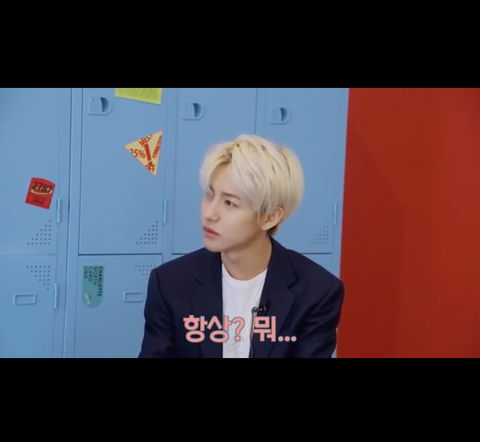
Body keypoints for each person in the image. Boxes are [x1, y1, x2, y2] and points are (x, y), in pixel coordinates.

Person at [139, 135, 344, 358]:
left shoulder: (317, 292)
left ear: (270, 217)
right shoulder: (169, 283)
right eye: (209, 195)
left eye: (230, 203)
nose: (209, 214)